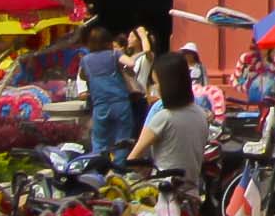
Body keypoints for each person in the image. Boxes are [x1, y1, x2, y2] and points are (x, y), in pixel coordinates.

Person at [125, 51, 211, 193]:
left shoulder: (163, 118)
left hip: (164, 195)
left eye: (156, 82)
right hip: (192, 193)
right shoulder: (201, 114)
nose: (155, 88)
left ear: (168, 84)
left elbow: (132, 159)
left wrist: (144, 169)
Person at [78, 22, 135, 165]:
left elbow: (83, 76)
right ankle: (119, 169)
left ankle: (99, 169)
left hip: (100, 105)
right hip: (120, 103)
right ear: (108, 41)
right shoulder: (114, 54)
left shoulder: (86, 60)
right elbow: (131, 63)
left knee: (99, 141)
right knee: (122, 139)